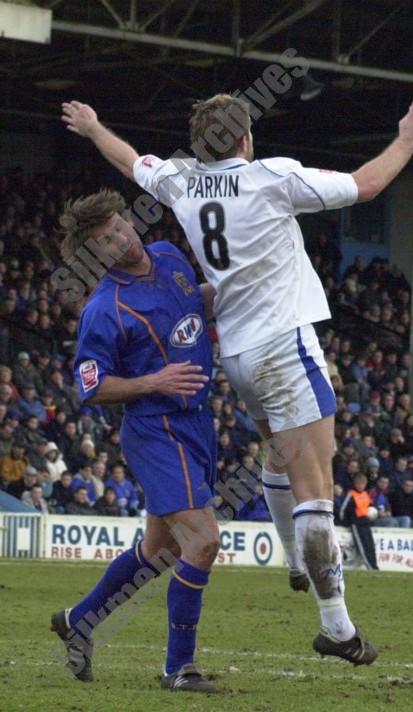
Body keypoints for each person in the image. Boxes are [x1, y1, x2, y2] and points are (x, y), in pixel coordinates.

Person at [62, 90, 413, 666]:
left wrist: (93, 128)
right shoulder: (273, 177)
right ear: (245, 139)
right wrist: (409, 138)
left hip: (235, 355)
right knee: (317, 480)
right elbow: (365, 185)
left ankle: (290, 560)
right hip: (282, 343)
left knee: (275, 458)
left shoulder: (182, 183)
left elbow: (130, 161)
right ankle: (335, 627)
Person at [50, 190, 220, 693]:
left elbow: (196, 303)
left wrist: (238, 289)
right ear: (95, 254)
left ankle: (79, 620)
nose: (120, 239)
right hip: (154, 430)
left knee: (160, 551)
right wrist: (153, 382)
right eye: (105, 240)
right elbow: (91, 385)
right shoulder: (104, 308)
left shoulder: (168, 255)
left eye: (120, 226)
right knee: (204, 541)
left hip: (197, 424)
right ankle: (179, 668)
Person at [339, 473, 378, 570]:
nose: (361, 486)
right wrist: (347, 522)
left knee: (370, 545)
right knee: (362, 546)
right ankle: (370, 566)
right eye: (359, 484)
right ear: (355, 484)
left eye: (363, 484)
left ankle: (374, 565)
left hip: (366, 523)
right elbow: (342, 510)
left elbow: (369, 507)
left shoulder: (365, 494)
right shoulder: (351, 494)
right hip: (357, 524)